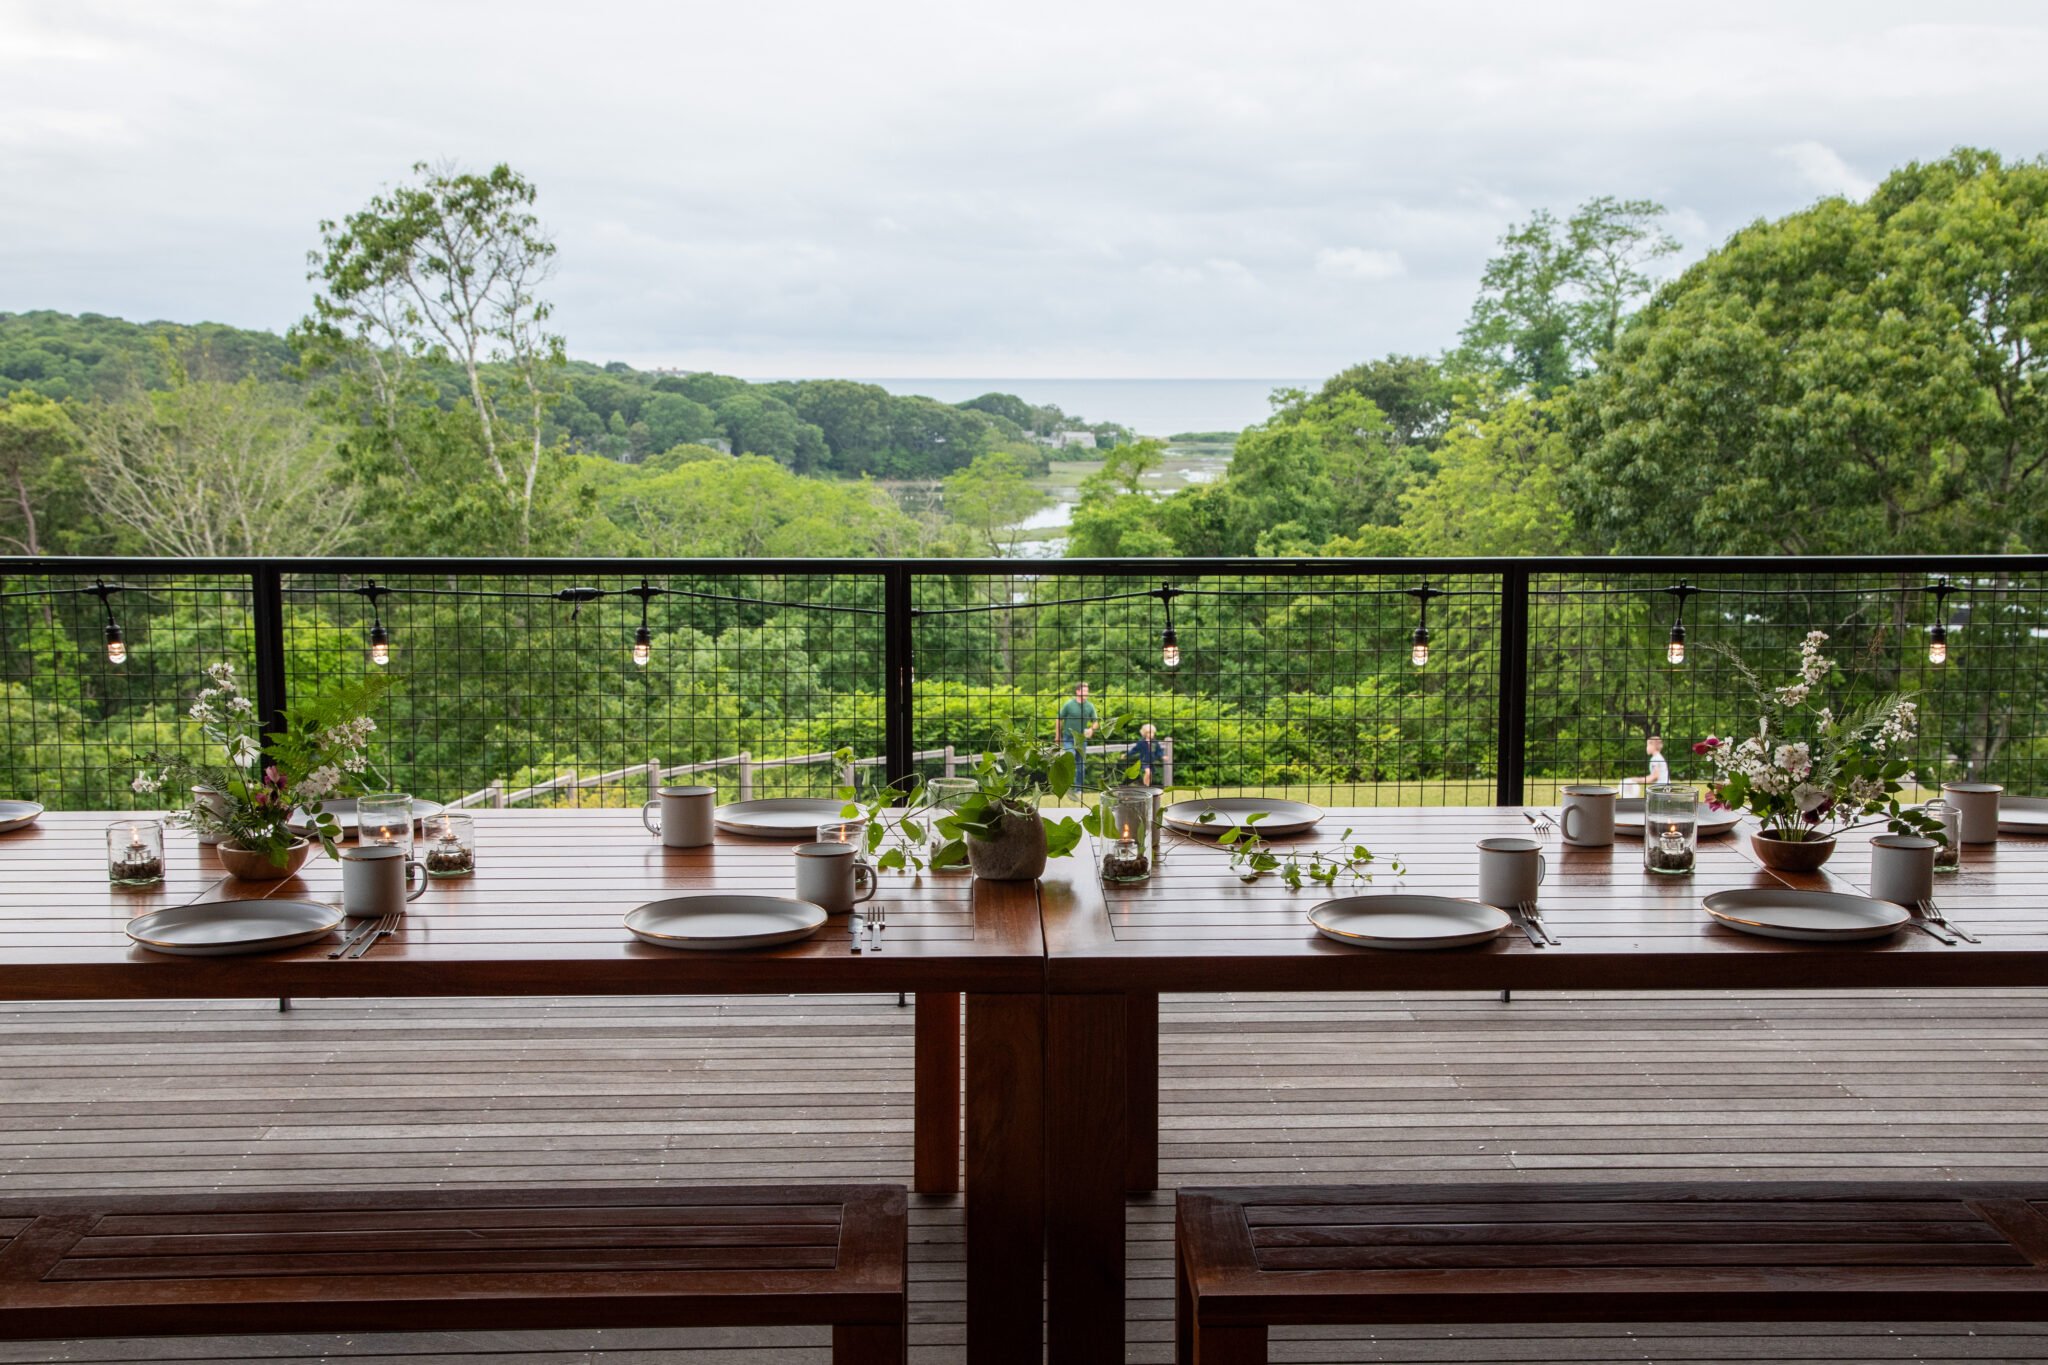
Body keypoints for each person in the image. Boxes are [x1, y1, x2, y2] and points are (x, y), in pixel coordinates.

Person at [1055, 682, 1098, 788]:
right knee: (1070, 756)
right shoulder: (1069, 705)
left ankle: (1079, 789)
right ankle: (1065, 785)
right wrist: (1057, 736)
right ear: (1077, 691)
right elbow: (1059, 719)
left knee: (1081, 765)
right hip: (1068, 737)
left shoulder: (1090, 706)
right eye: (1084, 691)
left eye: (1087, 691)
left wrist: (1092, 730)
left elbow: (1095, 722)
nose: (1086, 693)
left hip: (1081, 739)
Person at [1124, 722, 1165, 787]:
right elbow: (1134, 750)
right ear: (1145, 733)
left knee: (1150, 775)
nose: (1152, 734)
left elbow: (1158, 751)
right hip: (1144, 761)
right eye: (1150, 733)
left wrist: (1162, 756)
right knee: (1148, 773)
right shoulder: (1141, 742)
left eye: (1153, 733)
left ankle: (1148, 786)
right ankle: (1145, 785)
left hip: (1151, 761)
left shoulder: (1154, 742)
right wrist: (1126, 754)